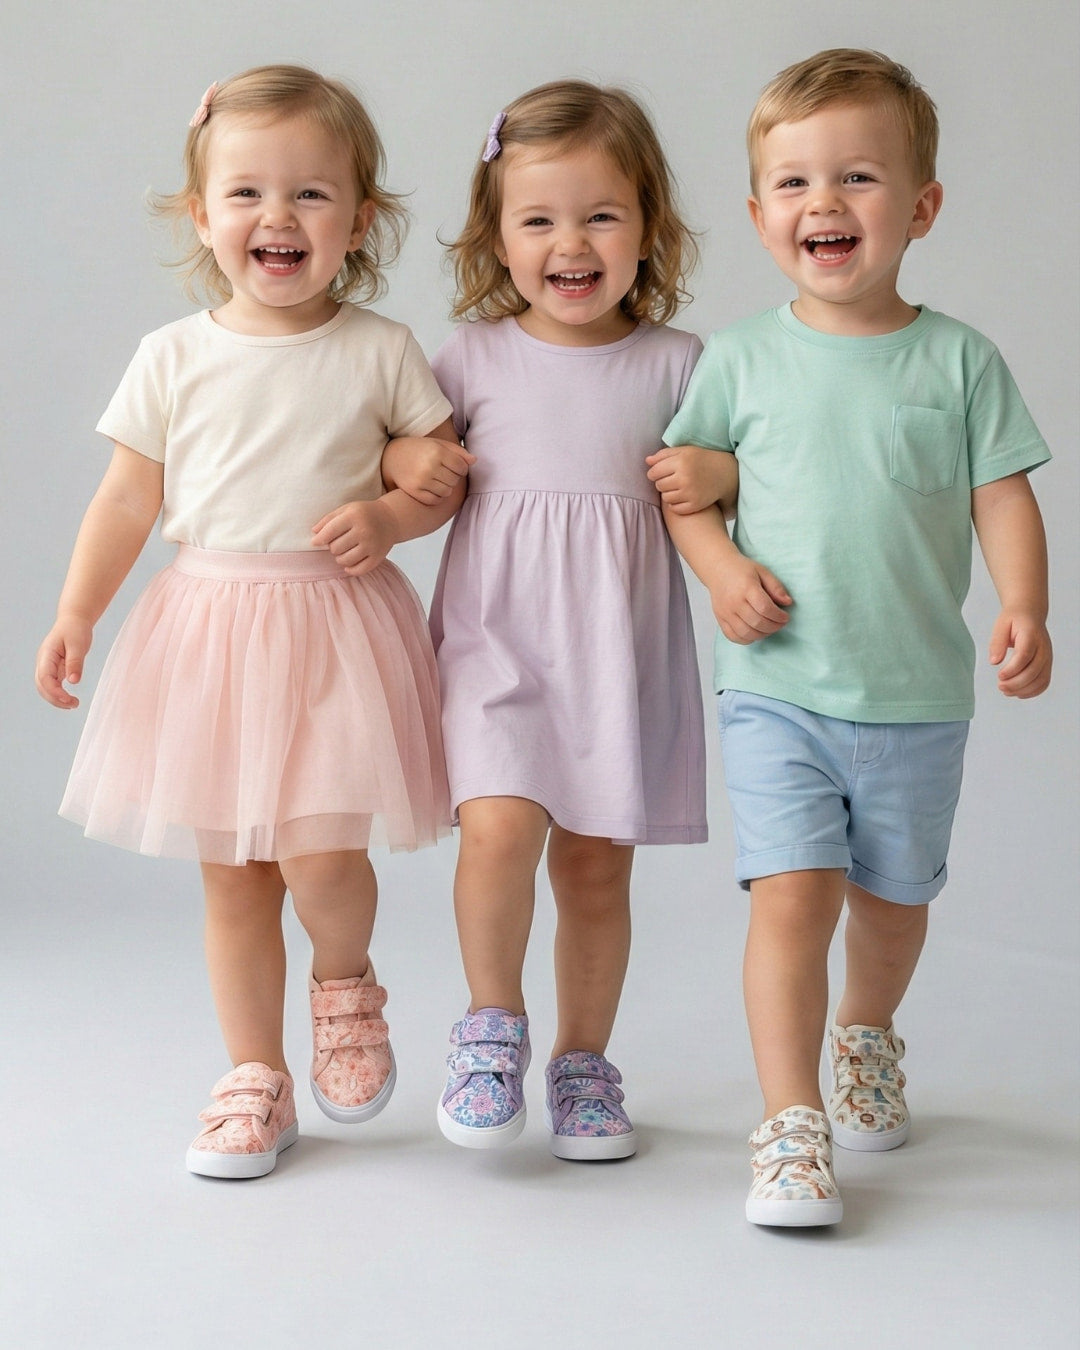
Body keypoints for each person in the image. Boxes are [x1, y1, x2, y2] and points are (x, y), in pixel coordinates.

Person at [34, 65, 462, 1179]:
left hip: (333, 631)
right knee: (232, 874)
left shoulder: (379, 348)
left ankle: (345, 982)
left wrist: (391, 511)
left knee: (323, 856)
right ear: (201, 215)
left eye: (312, 194)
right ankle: (253, 1075)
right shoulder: (171, 356)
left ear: (359, 221)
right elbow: (126, 499)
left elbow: (442, 473)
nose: (279, 216)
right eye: (247, 194)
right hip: (212, 630)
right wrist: (78, 610)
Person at [659, 48, 1052, 1225]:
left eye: (858, 178)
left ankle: (865, 1032)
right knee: (792, 896)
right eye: (793, 183)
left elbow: (1002, 496)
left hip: (917, 695)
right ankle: (789, 1124)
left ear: (921, 207)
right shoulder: (737, 358)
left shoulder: (960, 360)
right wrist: (723, 572)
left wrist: (1025, 604)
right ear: (758, 215)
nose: (823, 202)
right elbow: (686, 490)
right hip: (777, 687)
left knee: (892, 904)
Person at [385, 80, 735, 1159]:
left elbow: (730, 485)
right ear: (497, 235)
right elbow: (407, 458)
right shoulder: (471, 357)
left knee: (593, 867)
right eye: (537, 219)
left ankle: (584, 1064)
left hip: (616, 658)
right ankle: (491, 1029)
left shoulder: (680, 364)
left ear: (649, 227)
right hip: (498, 644)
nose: (570, 243)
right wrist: (406, 461)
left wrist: (720, 473)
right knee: (496, 832)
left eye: (601, 215)